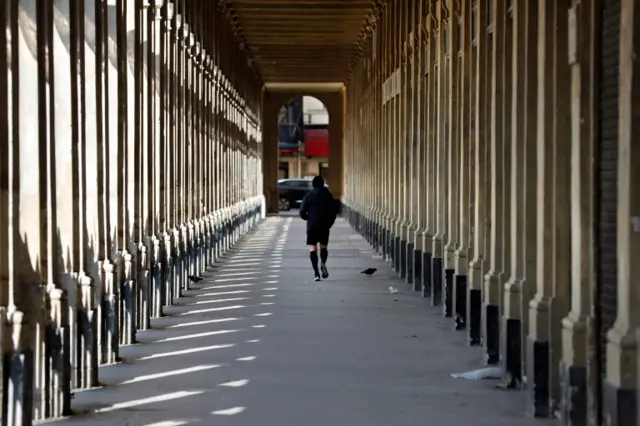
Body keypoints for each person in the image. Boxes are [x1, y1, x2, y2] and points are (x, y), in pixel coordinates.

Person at [299, 176, 338, 281]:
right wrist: (330, 223)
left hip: (312, 225)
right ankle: (323, 263)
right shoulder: (328, 195)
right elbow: (334, 211)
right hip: (324, 225)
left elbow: (301, 212)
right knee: (323, 247)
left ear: (313, 184)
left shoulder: (309, 196)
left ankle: (316, 273)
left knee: (313, 248)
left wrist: (308, 218)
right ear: (322, 184)